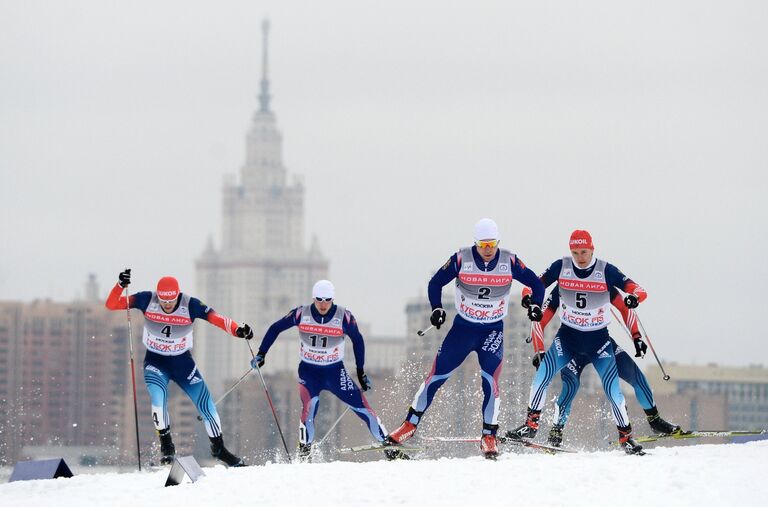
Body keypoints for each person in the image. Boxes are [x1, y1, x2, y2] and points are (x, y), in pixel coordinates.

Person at [385, 218, 545, 459]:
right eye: (483, 245)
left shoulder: (509, 261)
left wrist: (535, 305)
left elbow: (536, 283)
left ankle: (489, 436)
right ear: (475, 243)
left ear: (497, 242)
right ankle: (409, 426)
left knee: (491, 383)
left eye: (492, 244)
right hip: (463, 330)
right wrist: (437, 308)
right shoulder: (462, 259)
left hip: (492, 331)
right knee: (435, 377)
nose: (488, 249)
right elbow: (436, 282)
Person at [506, 230, 647, 454]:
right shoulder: (561, 267)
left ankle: (626, 437)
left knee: (613, 390)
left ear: (592, 249)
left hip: (598, 341)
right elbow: (533, 285)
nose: (580, 257)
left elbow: (637, 289)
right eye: (575, 252)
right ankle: (530, 425)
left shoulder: (605, 270)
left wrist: (634, 298)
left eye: (584, 252)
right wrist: (527, 298)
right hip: (568, 338)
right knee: (541, 377)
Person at [106, 269, 251, 466]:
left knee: (207, 405)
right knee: (158, 399)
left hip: (183, 363)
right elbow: (112, 304)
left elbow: (216, 318)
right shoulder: (146, 299)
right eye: (164, 302)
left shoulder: (190, 304)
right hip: (156, 362)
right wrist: (120, 286)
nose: (167, 305)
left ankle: (219, 449)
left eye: (171, 301)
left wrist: (238, 330)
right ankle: (167, 447)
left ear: (177, 295)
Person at [521, 284, 681, 447]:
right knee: (570, 388)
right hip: (573, 350)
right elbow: (538, 321)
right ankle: (556, 432)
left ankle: (655, 421)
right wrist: (538, 349)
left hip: (601, 345)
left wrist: (636, 337)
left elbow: (626, 308)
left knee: (636, 377)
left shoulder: (602, 282)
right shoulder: (564, 284)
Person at [250, 280, 393, 460]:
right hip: (309, 373)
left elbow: (358, 340)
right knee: (309, 410)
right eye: (319, 300)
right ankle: (304, 453)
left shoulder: (344, 317)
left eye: (327, 300)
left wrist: (360, 372)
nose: (323, 304)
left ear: (333, 299)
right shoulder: (301, 314)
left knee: (362, 407)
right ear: (313, 298)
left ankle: (389, 446)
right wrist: (262, 353)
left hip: (335, 372)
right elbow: (275, 328)